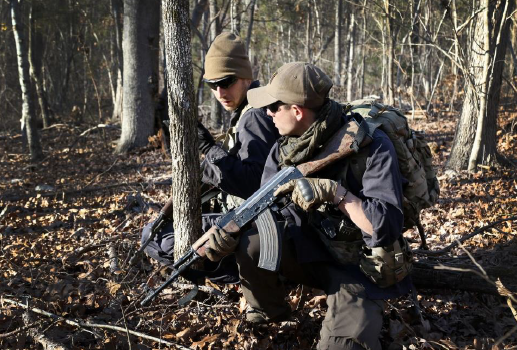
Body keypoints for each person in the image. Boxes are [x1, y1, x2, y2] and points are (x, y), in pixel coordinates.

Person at [203, 62, 413, 349]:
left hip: (358, 266)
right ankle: (270, 312)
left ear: (297, 111)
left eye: (274, 107)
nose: (267, 113)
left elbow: (385, 227)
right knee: (252, 241)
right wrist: (229, 233)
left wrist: (336, 194)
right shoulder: (284, 148)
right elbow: (267, 208)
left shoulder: (371, 145)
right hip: (310, 248)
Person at [141, 32, 278, 281]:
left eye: (226, 82)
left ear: (246, 77)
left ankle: (229, 274)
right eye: (212, 85)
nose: (219, 91)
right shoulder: (252, 109)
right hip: (252, 218)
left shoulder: (254, 117)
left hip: (258, 221)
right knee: (158, 231)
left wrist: (208, 148)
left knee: (155, 236)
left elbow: (254, 185)